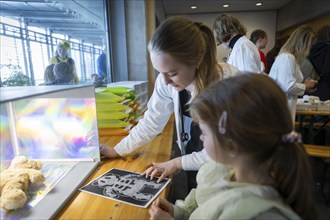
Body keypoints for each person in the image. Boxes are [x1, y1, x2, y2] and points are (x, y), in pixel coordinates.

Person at [149, 74, 318, 220]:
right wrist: (178, 212)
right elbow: (202, 208)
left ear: (231, 145)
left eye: (204, 133)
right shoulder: (222, 171)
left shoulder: (256, 213)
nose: (201, 137)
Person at [100, 17, 240, 190]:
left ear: (197, 61)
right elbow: (151, 122)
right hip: (193, 160)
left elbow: (224, 150)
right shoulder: (165, 80)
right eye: (160, 72)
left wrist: (177, 163)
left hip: (229, 173)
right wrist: (118, 150)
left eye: (172, 73)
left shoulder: (229, 84)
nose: (165, 81)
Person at [269, 25, 318, 123]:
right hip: (281, 107)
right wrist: (305, 86)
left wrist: (304, 84)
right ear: (304, 43)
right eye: (310, 44)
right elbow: (288, 86)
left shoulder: (289, 58)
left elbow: (286, 82)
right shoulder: (287, 58)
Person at [309, 25, 330, 101]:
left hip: (312, 88)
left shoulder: (311, 50)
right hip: (327, 89)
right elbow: (327, 71)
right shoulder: (328, 50)